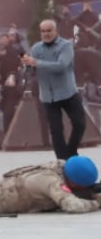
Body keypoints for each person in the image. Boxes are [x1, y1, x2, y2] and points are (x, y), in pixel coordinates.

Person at [23, 19, 86, 159]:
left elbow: (61, 66)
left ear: (55, 31)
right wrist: (27, 65)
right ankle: (62, 160)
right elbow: (30, 71)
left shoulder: (66, 46)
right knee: (56, 130)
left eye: (49, 31)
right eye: (43, 31)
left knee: (80, 124)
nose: (46, 34)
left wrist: (37, 62)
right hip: (48, 96)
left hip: (68, 92)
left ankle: (71, 151)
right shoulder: (36, 48)